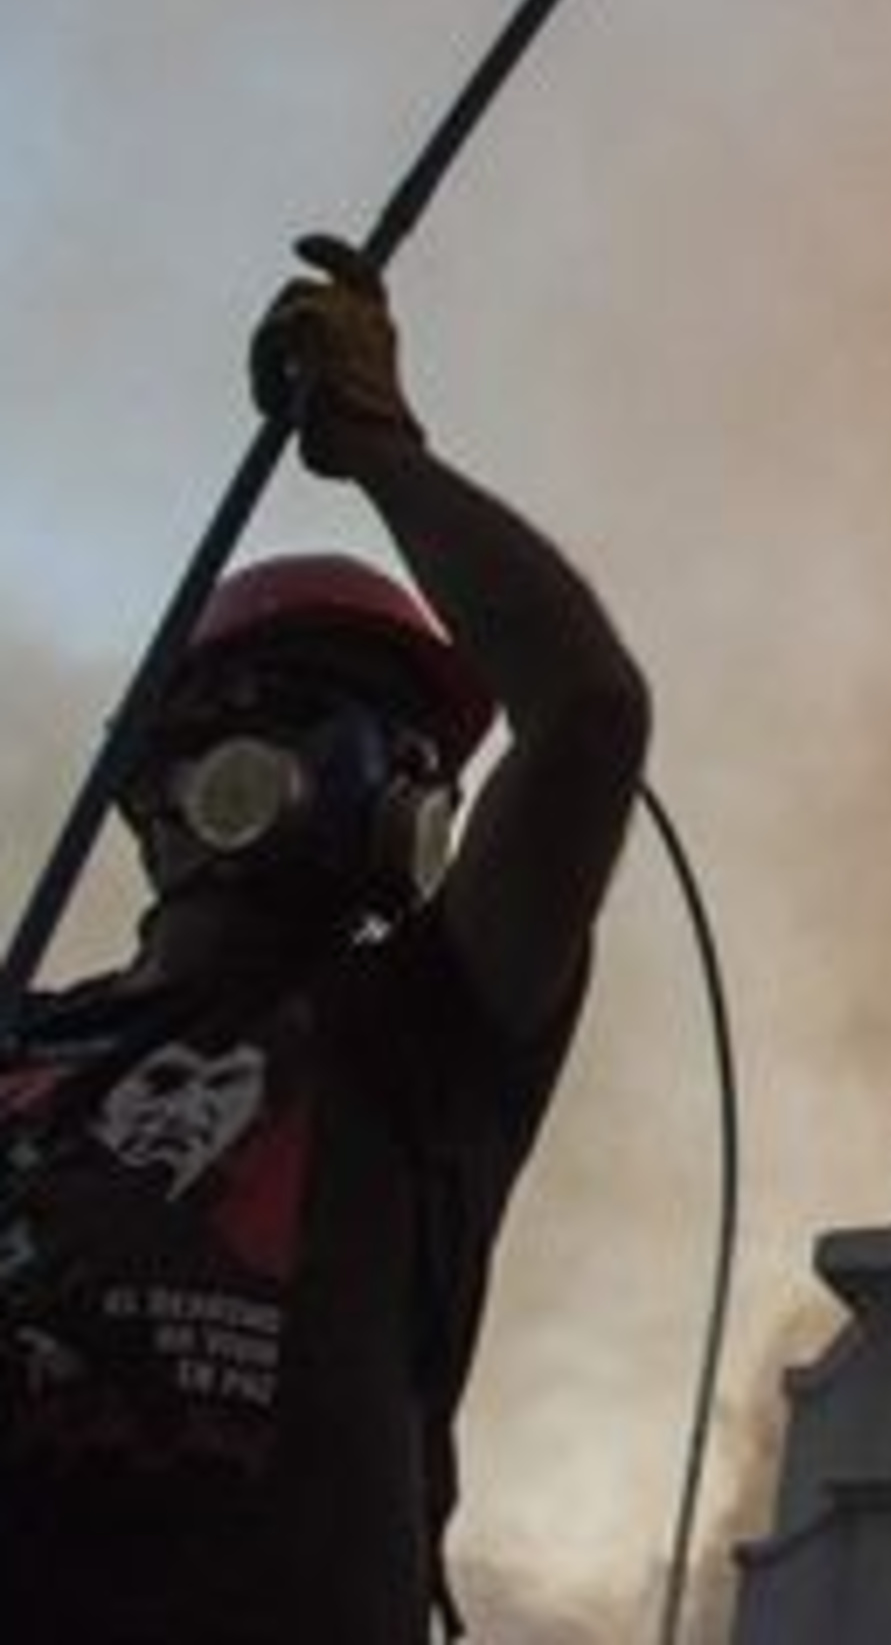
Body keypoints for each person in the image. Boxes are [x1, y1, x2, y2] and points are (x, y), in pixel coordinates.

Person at [0, 236, 651, 1643]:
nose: (375, 766)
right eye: (299, 701)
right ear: (161, 780)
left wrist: (377, 445)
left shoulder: (424, 1027)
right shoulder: (20, 1055)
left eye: (413, 749)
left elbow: (589, 714)